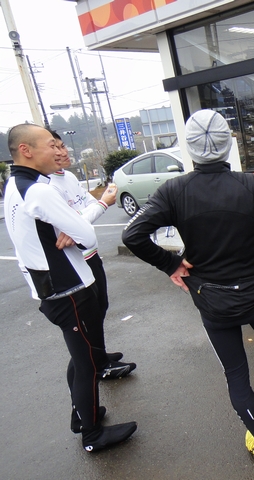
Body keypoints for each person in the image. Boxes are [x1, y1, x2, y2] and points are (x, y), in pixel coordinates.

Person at [122, 110, 254, 466]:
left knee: (236, 374)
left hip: (211, 299)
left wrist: (171, 263)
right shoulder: (252, 185)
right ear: (228, 144)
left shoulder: (174, 191)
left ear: (189, 148)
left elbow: (132, 235)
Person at [3, 123, 137, 453]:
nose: (58, 150)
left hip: (50, 288)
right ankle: (91, 435)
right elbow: (86, 235)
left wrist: (69, 226)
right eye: (51, 145)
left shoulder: (16, 185)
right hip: (69, 290)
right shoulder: (39, 190)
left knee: (81, 357)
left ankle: (82, 415)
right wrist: (74, 225)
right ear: (26, 150)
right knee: (86, 362)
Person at [47, 129, 137, 382]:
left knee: (100, 307)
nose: (62, 152)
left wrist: (94, 209)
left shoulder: (69, 177)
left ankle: (99, 356)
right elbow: (77, 220)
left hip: (91, 254)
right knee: (88, 317)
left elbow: (88, 210)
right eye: (54, 147)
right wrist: (100, 205)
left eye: (62, 145)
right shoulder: (46, 186)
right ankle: (98, 365)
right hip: (76, 261)